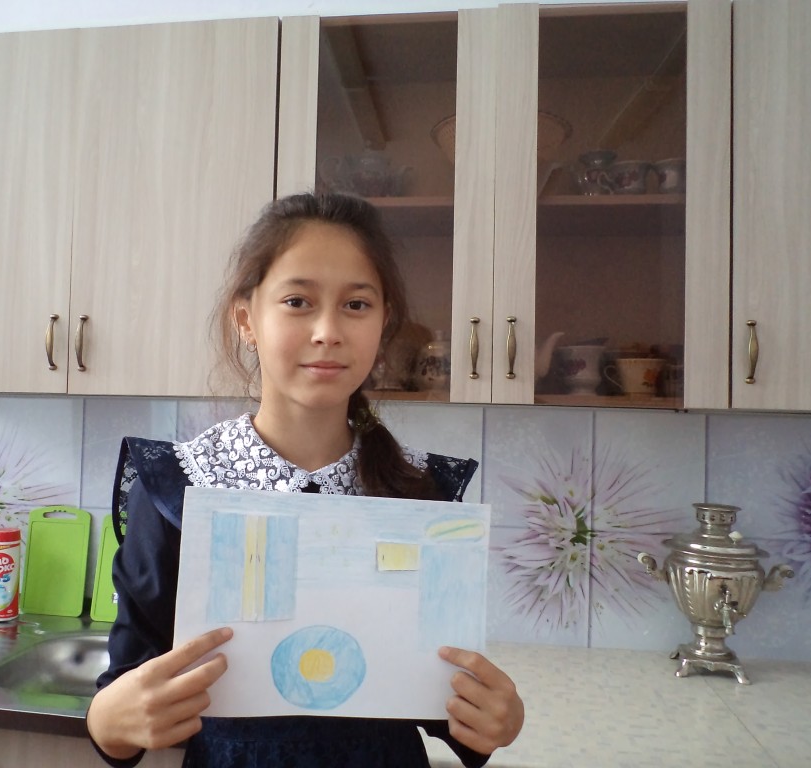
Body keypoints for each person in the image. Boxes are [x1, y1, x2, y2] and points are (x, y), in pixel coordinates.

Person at [86, 192, 524, 767]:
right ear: (246, 319)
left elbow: (444, 707)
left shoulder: (422, 496)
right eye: (297, 301)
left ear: (384, 321)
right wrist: (109, 722)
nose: (327, 331)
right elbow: (125, 691)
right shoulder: (179, 486)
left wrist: (494, 718)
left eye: (356, 305)